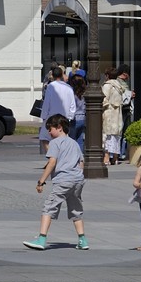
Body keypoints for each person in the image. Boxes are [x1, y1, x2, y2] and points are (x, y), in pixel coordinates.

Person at [24, 114, 88, 250]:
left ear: (59, 128)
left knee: (48, 208)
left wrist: (41, 181)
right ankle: (82, 240)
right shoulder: (74, 143)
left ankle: (41, 239)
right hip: (77, 180)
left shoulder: (55, 143)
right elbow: (81, 162)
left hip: (63, 180)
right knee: (76, 210)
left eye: (50, 128)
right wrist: (78, 176)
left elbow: (52, 163)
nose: (49, 131)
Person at [40, 66, 75, 156]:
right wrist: (70, 117)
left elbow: (46, 103)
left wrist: (44, 116)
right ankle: (60, 156)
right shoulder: (68, 88)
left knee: (44, 137)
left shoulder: (51, 87)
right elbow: (72, 104)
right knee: (62, 138)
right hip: (64, 117)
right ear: (62, 75)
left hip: (51, 117)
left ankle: (51, 156)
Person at [101, 67, 127, 166]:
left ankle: (106, 157)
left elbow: (104, 100)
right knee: (116, 136)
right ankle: (115, 158)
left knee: (107, 135)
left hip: (109, 113)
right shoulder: (119, 86)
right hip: (118, 114)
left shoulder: (107, 86)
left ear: (107, 75)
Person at [70, 74, 87, 151]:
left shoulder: (72, 94)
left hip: (74, 119)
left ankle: (73, 156)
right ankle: (81, 157)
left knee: (72, 139)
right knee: (80, 140)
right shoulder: (84, 94)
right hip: (83, 118)